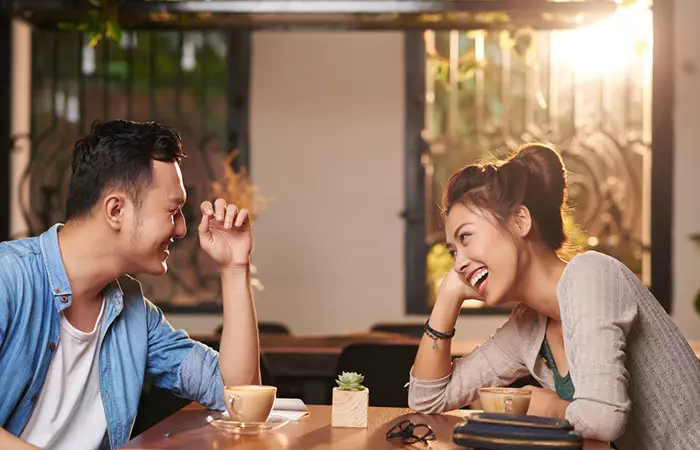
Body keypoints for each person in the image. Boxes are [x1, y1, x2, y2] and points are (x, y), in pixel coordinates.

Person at [407, 143, 700, 449]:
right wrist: (448, 296)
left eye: (466, 237)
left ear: (520, 221)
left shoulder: (592, 275)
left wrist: (547, 407)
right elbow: (427, 399)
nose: (459, 263)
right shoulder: (527, 327)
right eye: (453, 251)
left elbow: (603, 417)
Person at [0, 120, 260, 450]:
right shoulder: (8, 279)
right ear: (116, 210)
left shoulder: (133, 310)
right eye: (173, 210)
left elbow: (238, 398)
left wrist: (235, 268)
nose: (181, 229)